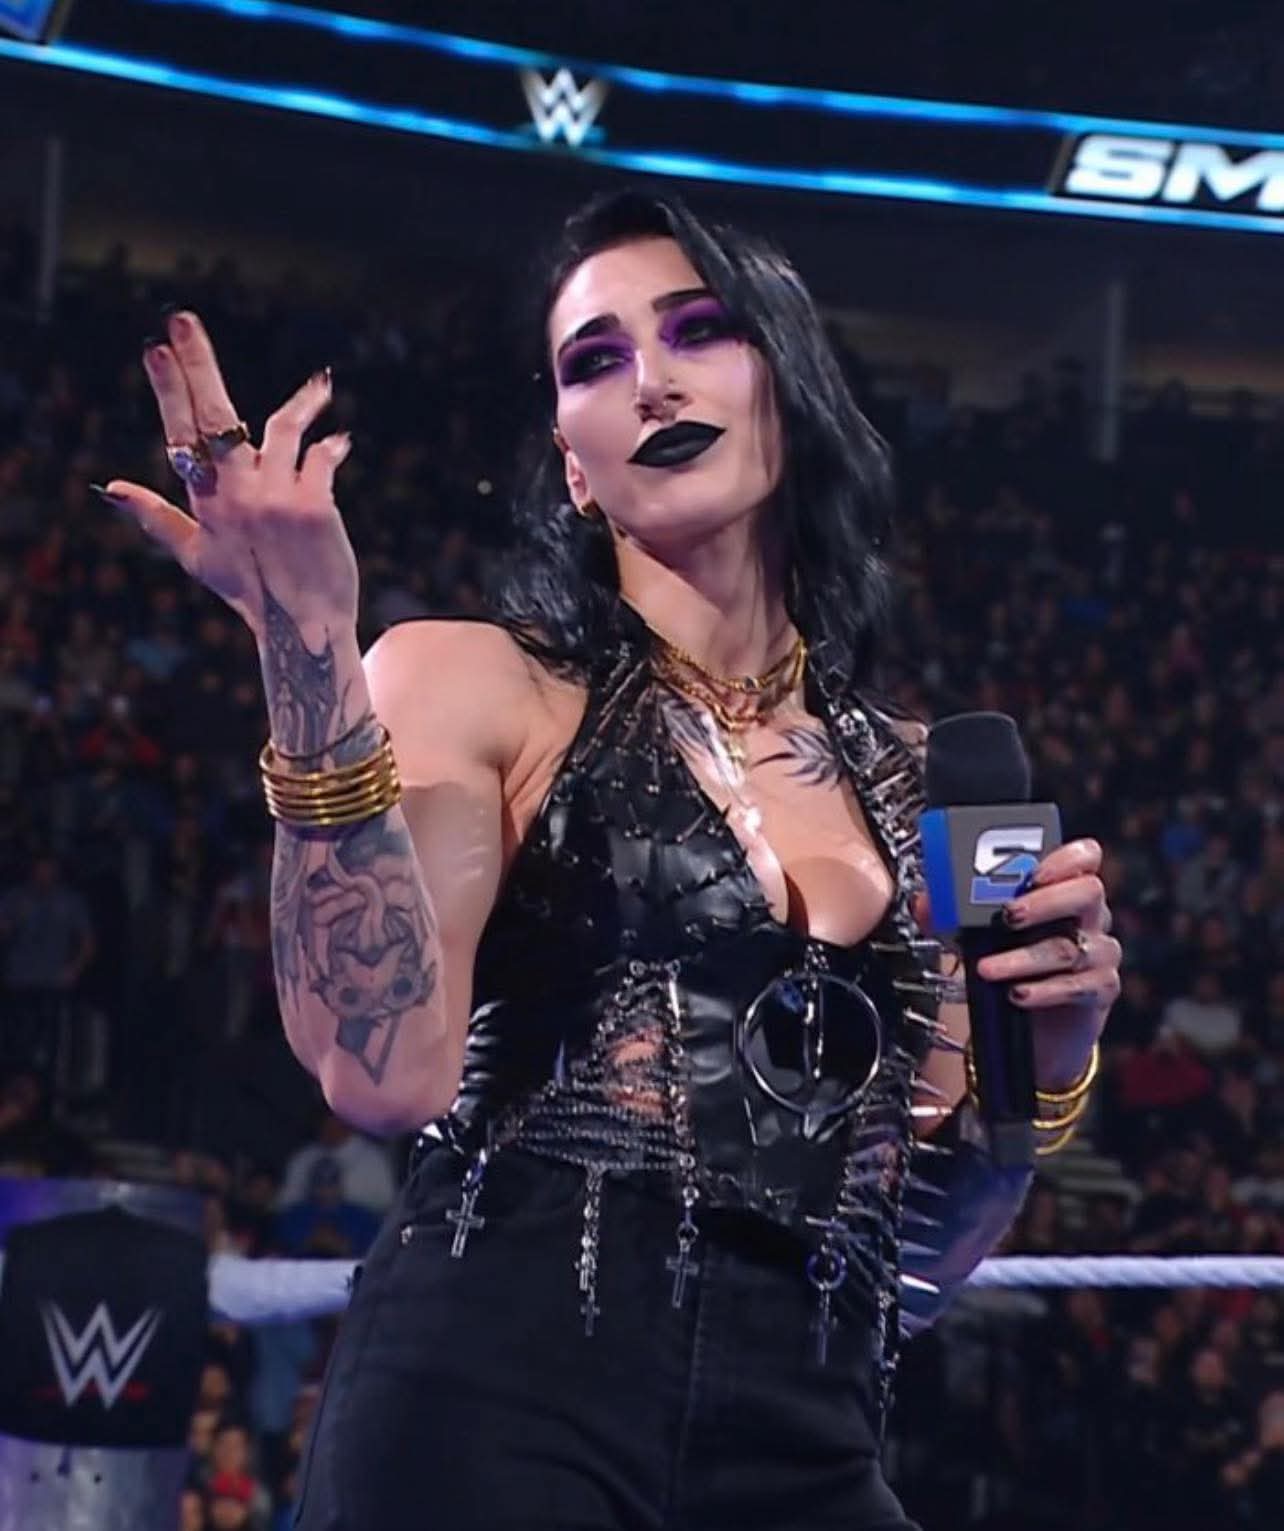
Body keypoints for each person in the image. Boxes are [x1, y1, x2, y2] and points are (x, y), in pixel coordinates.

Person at [96, 188, 1121, 1530]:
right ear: (574, 466)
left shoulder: (926, 782)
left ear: (789, 385)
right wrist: (306, 643)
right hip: (495, 1387)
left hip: (805, 1427)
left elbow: (914, 1270)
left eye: (699, 330)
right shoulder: (475, 682)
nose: (651, 381)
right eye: (596, 358)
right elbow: (378, 1073)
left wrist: (1049, 1060)